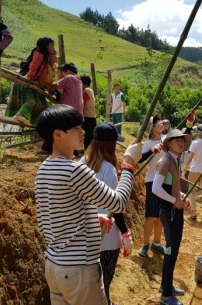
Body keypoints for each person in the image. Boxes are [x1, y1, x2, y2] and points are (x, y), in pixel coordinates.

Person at [34, 104, 142, 304]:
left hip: (55, 267)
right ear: (58, 135)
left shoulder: (44, 169)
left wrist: (94, 218)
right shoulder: (74, 170)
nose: (83, 132)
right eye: (76, 128)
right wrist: (128, 164)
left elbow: (56, 213)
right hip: (79, 271)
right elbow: (118, 203)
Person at [79, 122, 134, 305]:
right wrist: (125, 233)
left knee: (92, 282)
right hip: (107, 235)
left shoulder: (82, 162)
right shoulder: (108, 169)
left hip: (87, 234)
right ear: (110, 144)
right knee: (105, 280)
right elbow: (116, 206)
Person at [153, 129, 192, 305]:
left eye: (182, 140)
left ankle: (166, 285)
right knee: (170, 251)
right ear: (168, 142)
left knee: (173, 250)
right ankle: (166, 296)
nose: (181, 142)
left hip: (175, 210)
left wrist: (181, 200)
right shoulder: (165, 160)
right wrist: (174, 201)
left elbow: (172, 188)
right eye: (176, 139)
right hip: (168, 212)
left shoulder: (175, 160)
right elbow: (155, 188)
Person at [5, 36, 56, 127]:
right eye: (52, 45)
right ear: (46, 45)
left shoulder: (48, 62)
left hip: (33, 82)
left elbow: (42, 75)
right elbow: (34, 66)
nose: (54, 48)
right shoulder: (39, 52)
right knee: (31, 101)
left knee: (41, 104)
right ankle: (19, 115)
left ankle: (39, 123)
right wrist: (28, 76)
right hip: (26, 79)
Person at [138, 114, 167, 257]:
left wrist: (189, 124)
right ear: (153, 127)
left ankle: (156, 243)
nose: (162, 123)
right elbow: (139, 159)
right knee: (151, 215)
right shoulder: (148, 144)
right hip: (152, 180)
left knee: (161, 215)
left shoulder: (165, 140)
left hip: (165, 181)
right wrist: (152, 150)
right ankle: (145, 244)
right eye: (159, 122)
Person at [183, 124, 202, 221]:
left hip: (194, 169)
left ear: (197, 133)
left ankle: (194, 212)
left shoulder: (195, 143)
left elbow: (190, 157)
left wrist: (185, 169)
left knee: (191, 190)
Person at [80, 74, 96, 149]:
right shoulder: (90, 90)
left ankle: (87, 153)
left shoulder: (86, 90)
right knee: (90, 136)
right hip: (91, 116)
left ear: (82, 82)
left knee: (87, 136)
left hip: (87, 116)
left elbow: (82, 102)